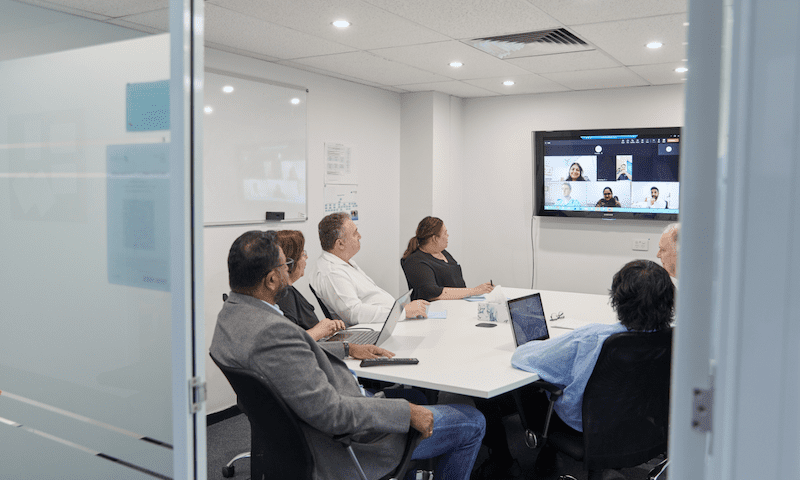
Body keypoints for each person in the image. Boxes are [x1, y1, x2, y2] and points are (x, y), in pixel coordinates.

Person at [210, 230, 486, 480]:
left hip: (295, 437)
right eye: (286, 266)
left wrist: (347, 348)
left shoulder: (232, 316)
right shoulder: (274, 333)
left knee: (414, 396)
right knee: (472, 421)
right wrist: (407, 413)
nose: (290, 270)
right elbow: (333, 413)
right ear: (271, 279)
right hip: (344, 446)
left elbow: (289, 357)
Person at [511, 260, 675, 475]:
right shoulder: (669, 338)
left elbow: (522, 357)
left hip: (585, 428)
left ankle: (527, 457)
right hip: (643, 425)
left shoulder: (592, 337)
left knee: (529, 385)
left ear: (617, 299)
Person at [312, 212, 429, 324]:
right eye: (354, 233)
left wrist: (402, 310)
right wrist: (401, 312)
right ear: (340, 244)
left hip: (386, 321)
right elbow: (354, 313)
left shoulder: (345, 262)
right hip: (372, 328)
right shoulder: (332, 273)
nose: (360, 236)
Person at [274, 230, 346, 341]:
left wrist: (326, 328)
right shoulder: (285, 295)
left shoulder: (288, 291)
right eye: (302, 254)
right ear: (289, 262)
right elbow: (289, 342)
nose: (306, 257)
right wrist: (320, 330)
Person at [401, 216, 493, 301]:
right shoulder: (415, 261)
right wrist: (475, 291)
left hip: (460, 304)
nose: (447, 236)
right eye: (445, 233)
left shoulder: (443, 253)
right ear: (435, 239)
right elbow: (432, 293)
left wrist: (476, 291)